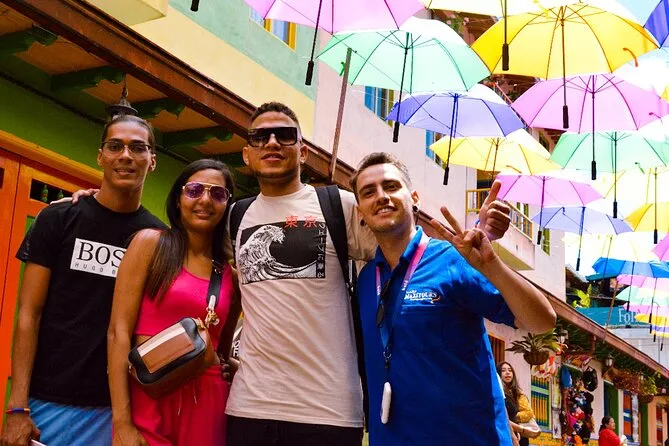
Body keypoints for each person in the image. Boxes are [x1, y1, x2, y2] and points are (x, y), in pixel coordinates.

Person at [223, 102, 513, 446]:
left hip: (327, 411)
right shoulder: (235, 217)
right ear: (246, 153)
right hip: (249, 406)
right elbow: (225, 287)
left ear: (303, 152)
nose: (272, 142)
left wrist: (482, 237)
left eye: (284, 135)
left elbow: (408, 254)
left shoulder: (340, 206)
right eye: (260, 136)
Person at [350, 152, 557, 446]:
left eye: (391, 186)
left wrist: (492, 266)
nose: (381, 196)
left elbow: (542, 321)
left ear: (414, 198)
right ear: (360, 211)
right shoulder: (366, 281)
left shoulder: (454, 260)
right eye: (369, 192)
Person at [1, 115, 165, 446]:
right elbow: (29, 314)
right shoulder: (58, 218)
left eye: (137, 148)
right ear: (100, 156)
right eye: (115, 146)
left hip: (113, 410)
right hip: (45, 402)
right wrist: (17, 407)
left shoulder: (159, 240)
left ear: (152, 161)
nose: (125, 155)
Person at [108, 159, 239, 445]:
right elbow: (118, 332)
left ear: (227, 205)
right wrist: (122, 423)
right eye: (194, 190)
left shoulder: (231, 275)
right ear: (178, 199)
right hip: (149, 394)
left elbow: (222, 349)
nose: (205, 200)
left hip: (207, 403)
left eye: (218, 194)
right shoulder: (150, 244)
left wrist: (235, 366)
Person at [498, 362, 538, 446]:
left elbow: (529, 413)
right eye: (503, 370)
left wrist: (514, 420)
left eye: (510, 370)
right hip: (504, 433)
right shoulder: (498, 393)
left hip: (519, 434)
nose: (507, 372)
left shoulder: (517, 393)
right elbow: (501, 416)